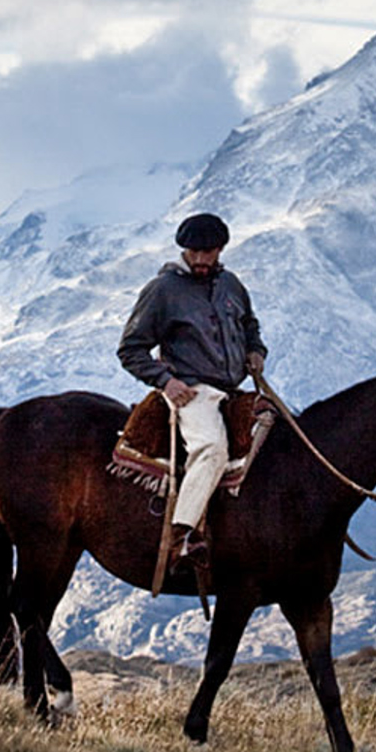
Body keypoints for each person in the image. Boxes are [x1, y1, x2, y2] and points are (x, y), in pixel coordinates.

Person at [117, 212, 267, 572]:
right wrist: (166, 382)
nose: (200, 260)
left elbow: (249, 325)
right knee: (212, 449)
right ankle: (181, 535)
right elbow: (130, 349)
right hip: (192, 389)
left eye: (208, 252)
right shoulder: (162, 290)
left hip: (234, 388)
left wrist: (256, 350)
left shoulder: (231, 285)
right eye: (193, 252)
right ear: (183, 250)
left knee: (285, 434)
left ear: (220, 250)